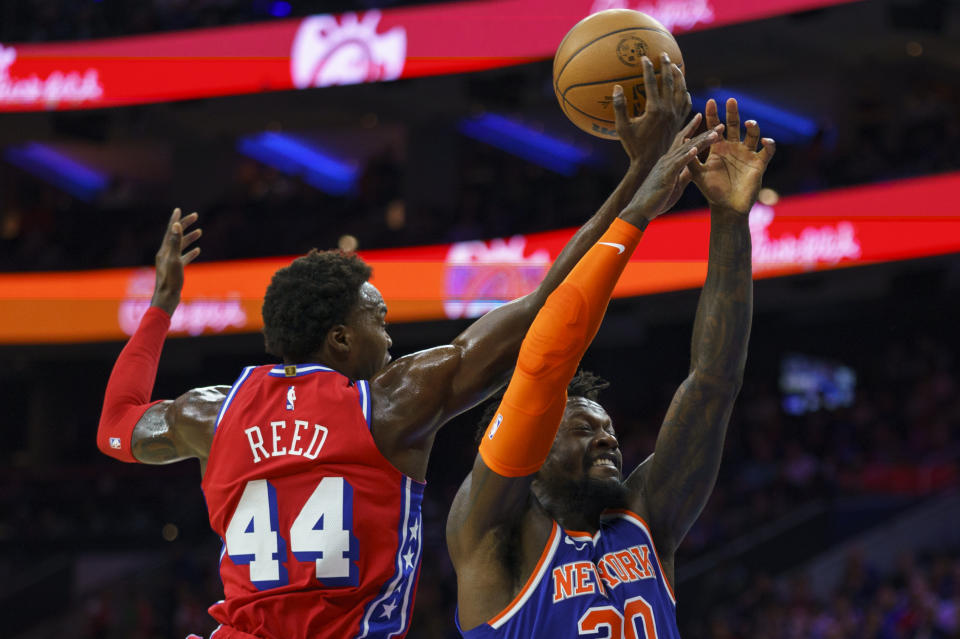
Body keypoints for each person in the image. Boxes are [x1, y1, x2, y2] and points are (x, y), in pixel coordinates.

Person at [96, 55, 701, 639]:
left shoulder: (211, 414)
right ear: (340, 338)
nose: (388, 338)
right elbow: (546, 307)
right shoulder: (390, 404)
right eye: (377, 320)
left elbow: (115, 426)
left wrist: (160, 309)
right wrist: (637, 181)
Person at [446, 96, 775, 638]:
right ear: (532, 447)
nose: (608, 441)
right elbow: (543, 363)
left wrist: (730, 219)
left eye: (607, 429)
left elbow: (714, 383)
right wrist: (637, 209)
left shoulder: (645, 517)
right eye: (582, 429)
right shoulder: (493, 535)